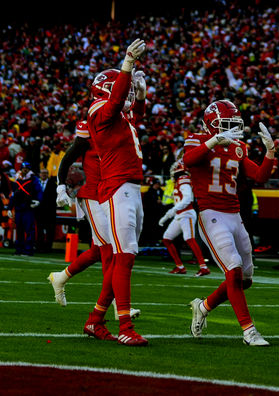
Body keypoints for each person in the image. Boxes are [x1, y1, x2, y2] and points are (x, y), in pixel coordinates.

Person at [184, 99, 275, 346]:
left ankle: (203, 307)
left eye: (233, 124)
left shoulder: (238, 147)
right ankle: (249, 331)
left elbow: (260, 176)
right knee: (233, 269)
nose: (229, 129)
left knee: (245, 279)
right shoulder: (197, 139)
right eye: (224, 124)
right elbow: (188, 160)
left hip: (235, 215)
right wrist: (212, 141)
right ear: (211, 125)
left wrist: (270, 152)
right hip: (211, 213)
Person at [86, 38, 148, 346]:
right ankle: (125, 325)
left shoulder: (120, 116)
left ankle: (95, 320)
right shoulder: (99, 110)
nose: (130, 97)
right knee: (124, 257)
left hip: (131, 188)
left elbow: (129, 111)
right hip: (117, 188)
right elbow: (114, 104)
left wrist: (143, 97)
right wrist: (126, 64)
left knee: (123, 258)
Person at [47, 120, 140, 322]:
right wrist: (61, 186)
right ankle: (118, 305)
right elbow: (69, 156)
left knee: (99, 249)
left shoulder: (120, 126)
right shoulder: (93, 125)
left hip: (112, 193)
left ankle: (61, 277)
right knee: (110, 249)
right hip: (93, 194)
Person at [158, 159, 210, 276]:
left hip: (186, 213)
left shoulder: (183, 180)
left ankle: (203, 267)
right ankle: (180, 267)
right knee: (166, 239)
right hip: (179, 214)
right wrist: (167, 215)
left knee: (189, 239)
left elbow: (188, 199)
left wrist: (172, 210)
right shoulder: (178, 182)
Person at [7, 162, 42, 256]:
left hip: (28, 208)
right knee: (19, 230)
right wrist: (10, 208)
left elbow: (39, 191)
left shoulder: (33, 179)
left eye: (26, 168)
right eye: (23, 168)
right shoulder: (17, 179)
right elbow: (13, 195)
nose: (25, 170)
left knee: (29, 230)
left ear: (29, 169)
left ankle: (28, 250)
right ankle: (19, 249)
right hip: (19, 208)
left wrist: (38, 201)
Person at [35, 168, 56, 253]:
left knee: (49, 230)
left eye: (45, 173)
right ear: (39, 174)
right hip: (39, 211)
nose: (43, 175)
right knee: (39, 230)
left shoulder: (53, 184)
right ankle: (39, 247)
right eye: (42, 173)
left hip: (49, 212)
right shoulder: (36, 183)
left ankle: (48, 248)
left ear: (48, 174)